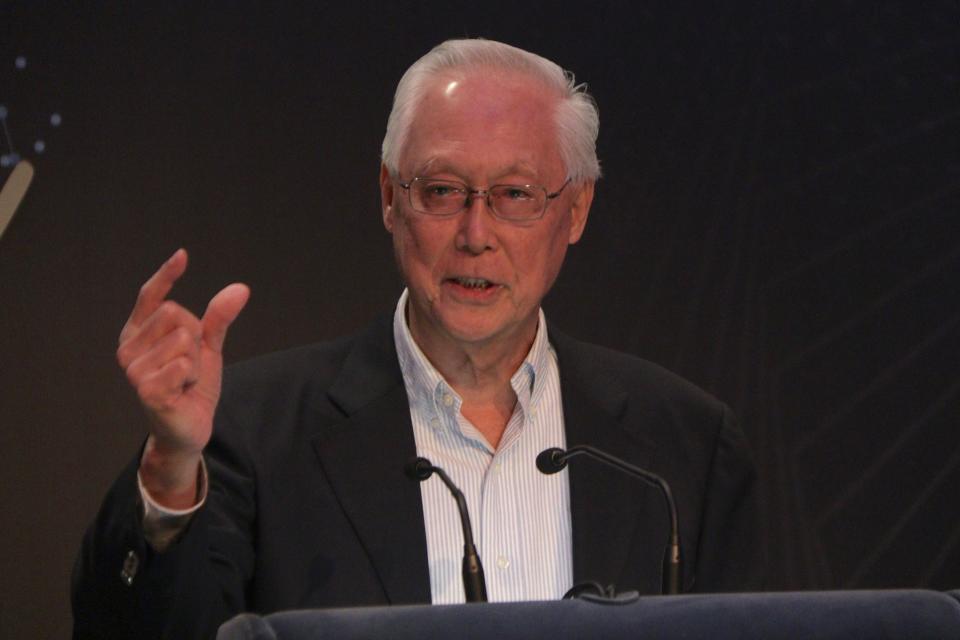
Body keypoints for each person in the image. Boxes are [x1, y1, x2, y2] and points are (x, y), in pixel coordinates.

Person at [73, 39, 763, 638]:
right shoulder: (249, 434)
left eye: (516, 195)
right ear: (388, 197)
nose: (475, 234)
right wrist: (169, 468)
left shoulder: (684, 447)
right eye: (441, 190)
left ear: (576, 210)